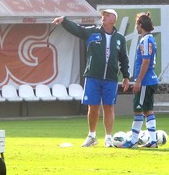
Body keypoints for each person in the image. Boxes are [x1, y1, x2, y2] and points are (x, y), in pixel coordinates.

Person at [52, 9, 130, 147]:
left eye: (107, 15)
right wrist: (65, 20)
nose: (104, 16)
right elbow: (77, 29)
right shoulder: (92, 32)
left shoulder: (120, 38)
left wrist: (126, 76)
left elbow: (124, 58)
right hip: (93, 76)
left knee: (109, 107)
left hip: (111, 78)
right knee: (93, 107)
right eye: (103, 15)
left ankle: (108, 138)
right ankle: (92, 136)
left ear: (114, 19)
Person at [120, 12, 158, 148]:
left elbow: (146, 61)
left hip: (145, 81)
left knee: (138, 109)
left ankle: (134, 140)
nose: (136, 27)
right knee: (148, 110)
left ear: (140, 25)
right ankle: (153, 140)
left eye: (137, 24)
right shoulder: (150, 39)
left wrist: (138, 81)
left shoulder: (146, 40)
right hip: (150, 80)